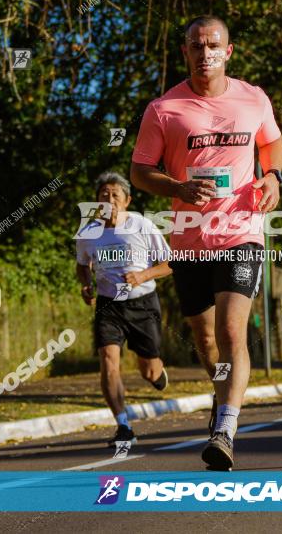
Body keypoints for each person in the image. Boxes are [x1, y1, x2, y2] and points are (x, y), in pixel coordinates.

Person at [130, 15, 282, 470]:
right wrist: (177, 188)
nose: (205, 52)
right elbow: (141, 171)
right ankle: (222, 400)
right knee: (206, 341)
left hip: (241, 233)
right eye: (196, 46)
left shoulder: (253, 99)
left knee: (231, 329)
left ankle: (225, 429)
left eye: (213, 45)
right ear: (185, 53)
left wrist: (273, 176)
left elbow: (271, 144)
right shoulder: (164, 109)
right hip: (190, 242)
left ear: (228, 51)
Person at [75, 172, 172, 447]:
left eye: (115, 194)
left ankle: (156, 371)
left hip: (143, 303)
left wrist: (143, 276)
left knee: (149, 372)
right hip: (108, 305)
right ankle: (123, 426)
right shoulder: (88, 232)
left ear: (127, 200)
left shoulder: (142, 224)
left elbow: (170, 262)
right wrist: (85, 285)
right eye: (104, 194)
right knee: (108, 362)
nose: (109, 199)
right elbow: (83, 264)